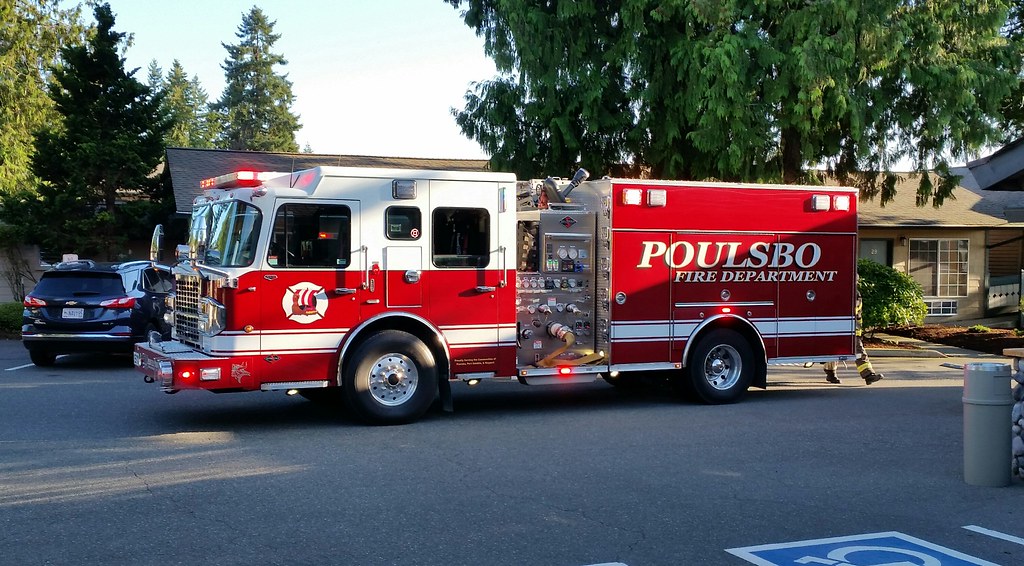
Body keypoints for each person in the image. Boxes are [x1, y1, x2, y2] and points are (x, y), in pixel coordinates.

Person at [825, 286, 884, 385]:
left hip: (849, 328)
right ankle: (831, 373)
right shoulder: (846, 292)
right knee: (833, 350)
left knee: (857, 350)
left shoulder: (854, 293)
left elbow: (854, 312)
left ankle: (868, 375)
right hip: (843, 327)